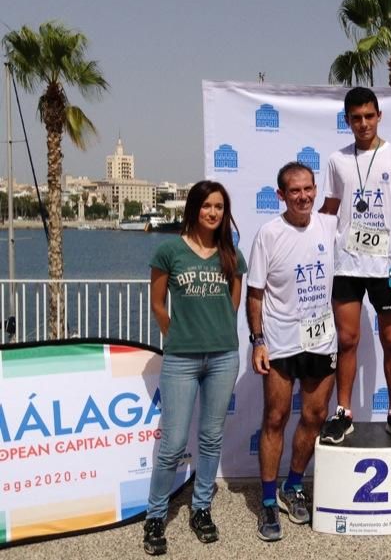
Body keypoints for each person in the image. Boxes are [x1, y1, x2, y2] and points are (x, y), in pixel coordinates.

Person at [142, 181, 247, 556]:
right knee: (171, 444)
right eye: (206, 206)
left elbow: (233, 302)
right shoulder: (169, 250)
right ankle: (155, 516)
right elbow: (158, 304)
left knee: (211, 438)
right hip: (181, 360)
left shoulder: (230, 253)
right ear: (194, 209)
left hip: (222, 357)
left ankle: (201, 508)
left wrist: (216, 330)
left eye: (219, 206)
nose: (213, 213)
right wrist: (178, 335)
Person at [318, 86, 391, 445]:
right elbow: (329, 209)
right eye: (355, 118)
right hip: (346, 264)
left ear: (379, 116)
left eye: (369, 116)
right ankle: (343, 412)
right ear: (347, 121)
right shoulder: (337, 161)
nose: (363, 124)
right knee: (347, 340)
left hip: (388, 266)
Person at [246, 162, 338, 541]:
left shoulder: (329, 225)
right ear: (281, 195)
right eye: (294, 191)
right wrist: (257, 340)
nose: (303, 197)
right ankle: (268, 501)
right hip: (281, 341)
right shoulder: (268, 234)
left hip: (322, 339)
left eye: (308, 189)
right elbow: (255, 293)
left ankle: (293, 485)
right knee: (276, 417)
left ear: (316, 190)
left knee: (315, 416)